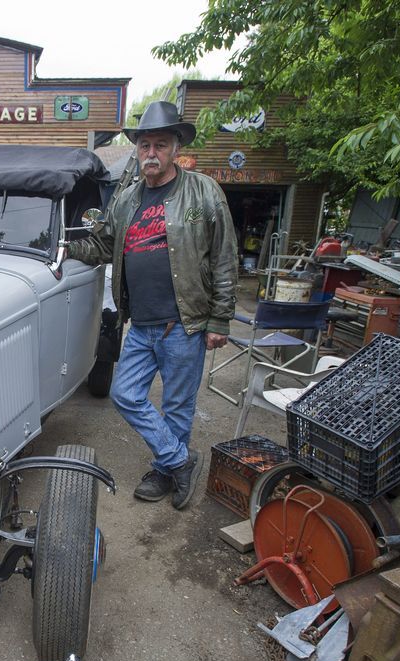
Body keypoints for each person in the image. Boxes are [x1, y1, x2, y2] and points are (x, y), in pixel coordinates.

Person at [68, 100, 238, 510]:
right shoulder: (126, 199)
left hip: (185, 322)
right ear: (137, 150)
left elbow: (224, 256)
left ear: (175, 147)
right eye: (145, 146)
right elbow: (104, 245)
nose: (151, 154)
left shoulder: (203, 192)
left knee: (178, 406)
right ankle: (180, 461)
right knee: (126, 395)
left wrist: (221, 319)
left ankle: (165, 472)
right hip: (141, 323)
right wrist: (63, 248)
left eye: (160, 145)